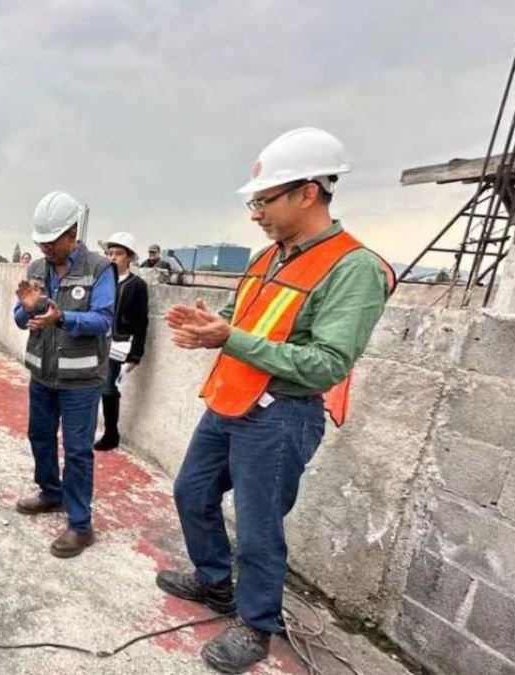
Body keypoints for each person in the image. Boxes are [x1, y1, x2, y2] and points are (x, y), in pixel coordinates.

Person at [158, 128, 392, 673]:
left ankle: (256, 624)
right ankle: (215, 583)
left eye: (264, 201)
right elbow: (248, 327)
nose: (255, 213)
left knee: (260, 528)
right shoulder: (268, 259)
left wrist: (229, 338)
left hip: (282, 415)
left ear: (308, 193)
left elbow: (328, 363)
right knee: (191, 491)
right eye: (254, 202)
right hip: (230, 402)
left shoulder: (353, 268)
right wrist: (209, 327)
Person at [13, 191, 115, 559]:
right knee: (39, 436)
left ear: (72, 234)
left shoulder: (99, 268)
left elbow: (104, 320)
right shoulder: (37, 269)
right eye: (41, 241)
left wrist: (64, 318)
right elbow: (19, 317)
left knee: (77, 450)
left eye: (52, 242)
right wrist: (26, 312)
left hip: (81, 382)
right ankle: (50, 492)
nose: (45, 249)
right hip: (42, 375)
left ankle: (80, 524)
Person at [93, 231, 149, 451]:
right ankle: (98, 428)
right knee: (93, 386)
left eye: (118, 254)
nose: (112, 257)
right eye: (110, 253)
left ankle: (111, 433)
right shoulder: (102, 280)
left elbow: (141, 322)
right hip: (97, 340)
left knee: (108, 388)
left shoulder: (137, 285)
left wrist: (136, 354)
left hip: (119, 344)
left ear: (129, 257)